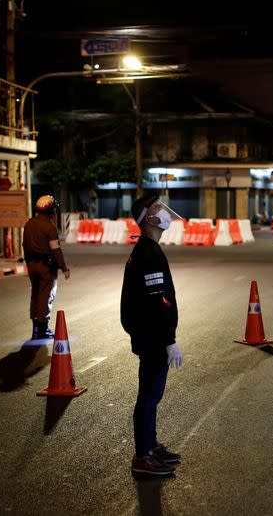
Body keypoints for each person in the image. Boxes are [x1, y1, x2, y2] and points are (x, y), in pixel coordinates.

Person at [121, 194, 185, 477]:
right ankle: (143, 456)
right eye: (159, 209)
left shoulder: (149, 249)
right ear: (148, 218)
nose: (165, 213)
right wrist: (169, 341)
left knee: (152, 395)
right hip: (153, 339)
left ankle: (150, 445)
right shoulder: (148, 253)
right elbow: (158, 302)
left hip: (151, 336)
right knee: (148, 396)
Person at [22, 195, 70, 340]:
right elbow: (55, 250)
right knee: (45, 296)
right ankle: (42, 329)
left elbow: (24, 245)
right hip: (46, 267)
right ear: (50, 211)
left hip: (31, 265)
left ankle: (35, 328)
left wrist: (28, 262)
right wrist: (63, 267)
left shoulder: (29, 224)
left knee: (35, 295)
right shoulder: (50, 228)